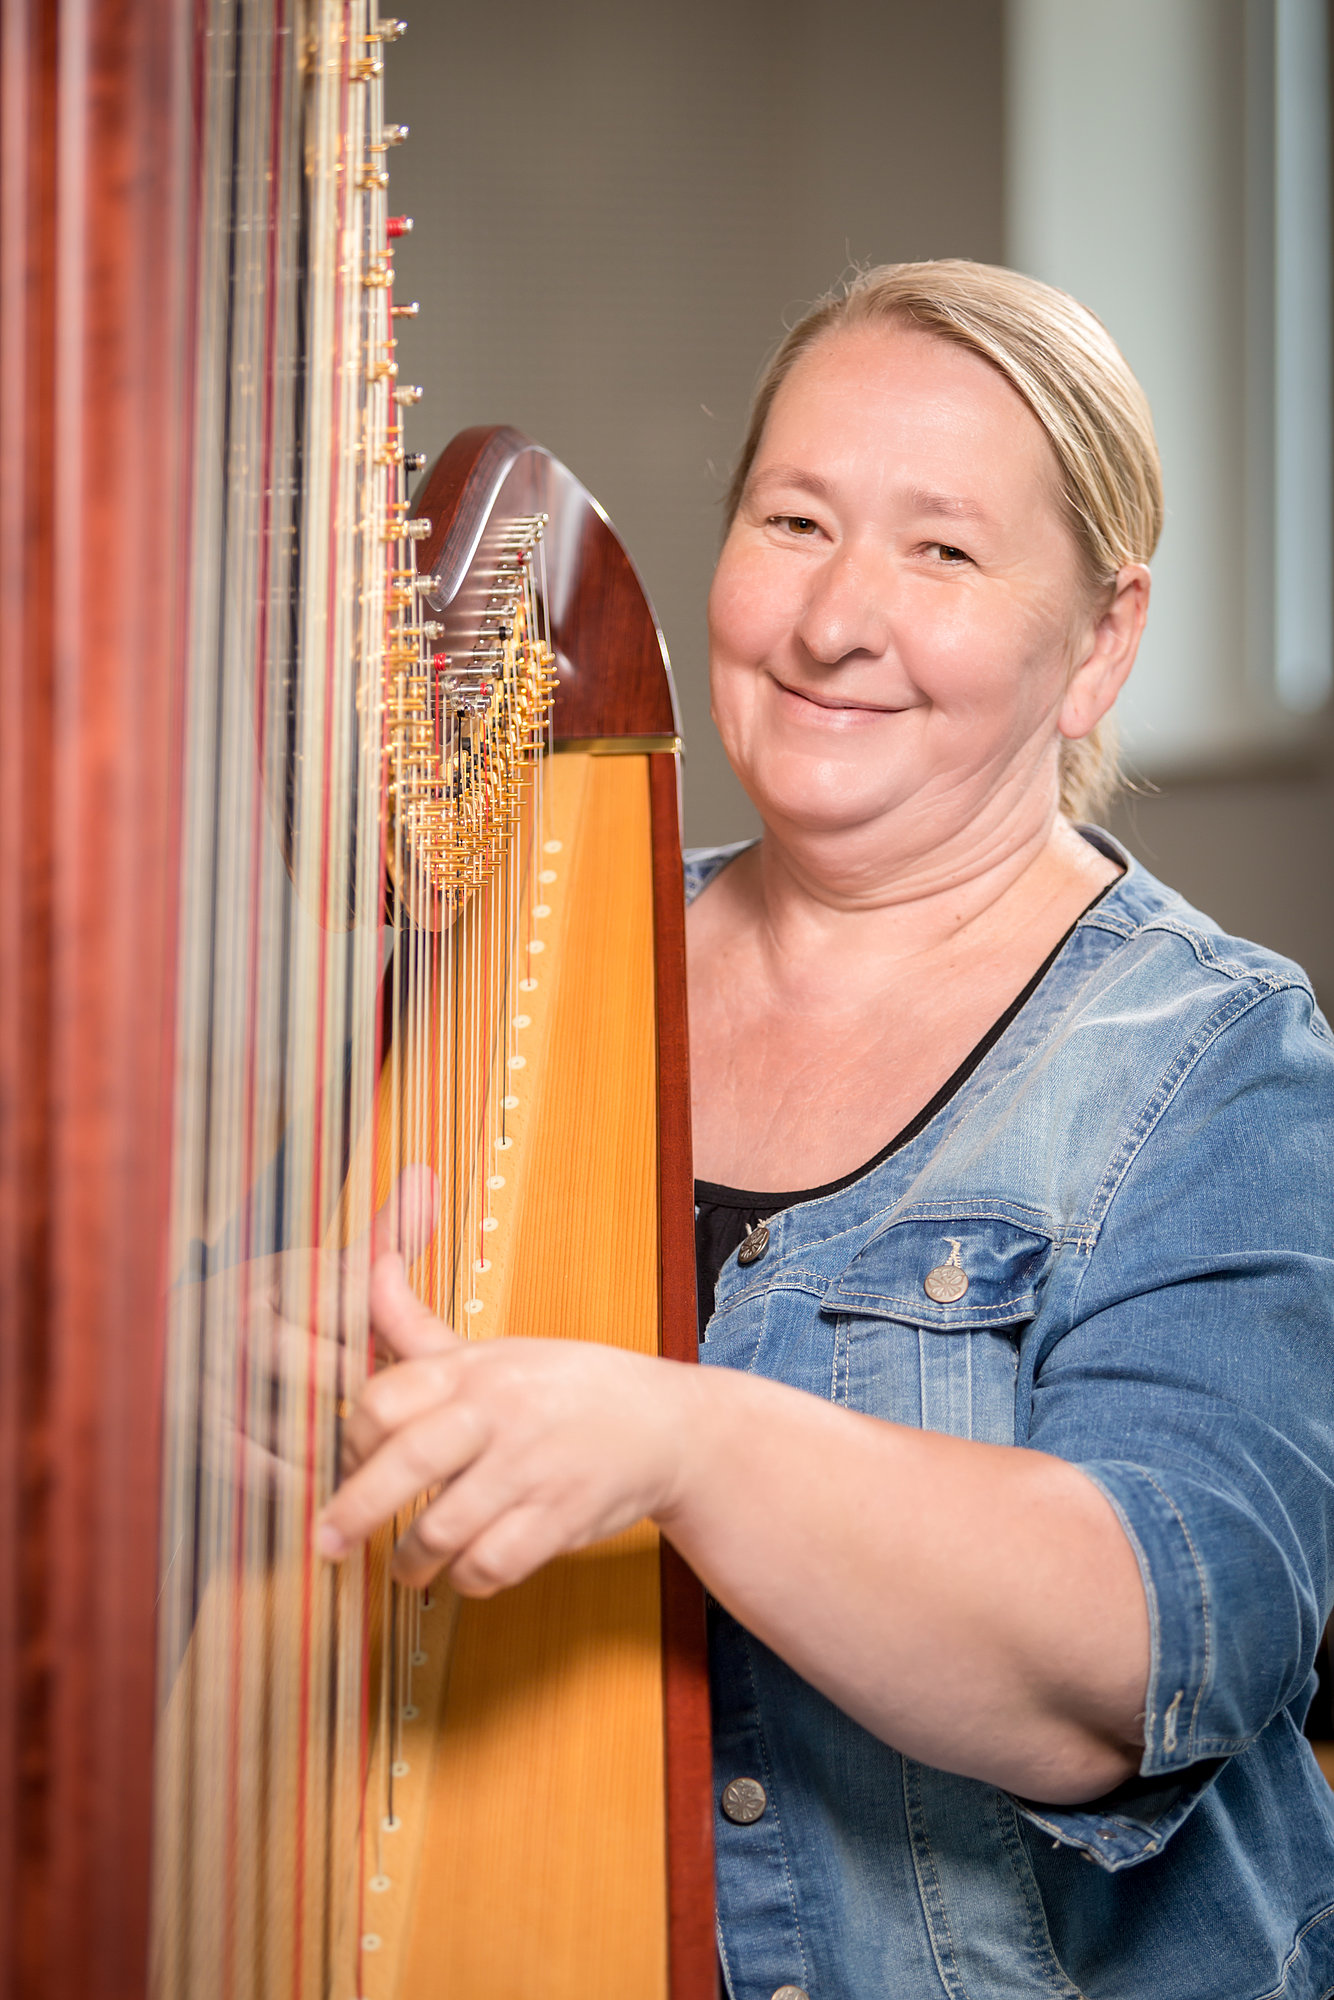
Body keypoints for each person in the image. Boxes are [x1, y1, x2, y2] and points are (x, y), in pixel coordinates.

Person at [316, 262, 1334, 1999]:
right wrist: (254, 1380)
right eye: (794, 520)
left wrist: (685, 1444)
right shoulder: (512, 967)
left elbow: (1155, 1648)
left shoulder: (1218, 1055)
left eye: (939, 551)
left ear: (1098, 642)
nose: (834, 619)